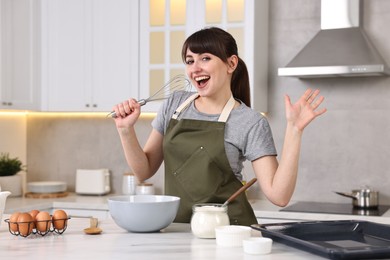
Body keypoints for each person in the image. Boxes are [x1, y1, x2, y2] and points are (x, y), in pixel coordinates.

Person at [111, 27, 327, 226]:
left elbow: (279, 196)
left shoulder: (250, 122)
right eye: (189, 61)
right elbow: (143, 170)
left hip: (229, 232)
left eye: (205, 58)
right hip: (179, 229)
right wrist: (125, 130)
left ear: (231, 64)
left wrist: (294, 130)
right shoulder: (174, 104)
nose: (195, 68)